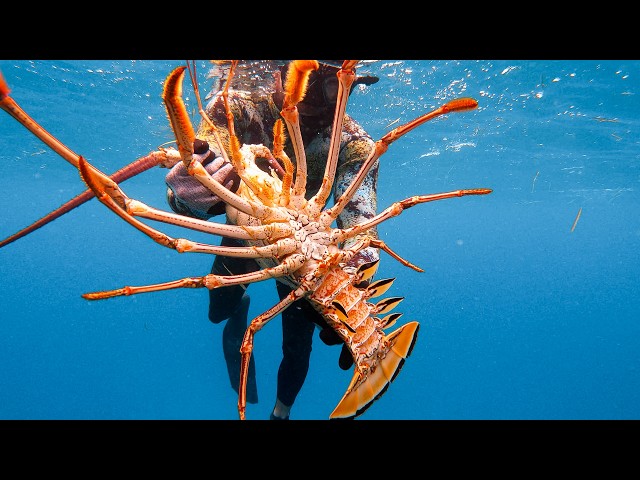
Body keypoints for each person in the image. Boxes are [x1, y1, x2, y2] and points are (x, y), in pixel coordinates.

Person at [165, 60, 380, 420]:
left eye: (329, 87)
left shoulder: (354, 144)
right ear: (281, 73)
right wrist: (189, 195)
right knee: (218, 312)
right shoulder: (237, 108)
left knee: (299, 345)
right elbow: (199, 164)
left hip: (306, 248)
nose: (313, 101)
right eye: (307, 82)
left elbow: (361, 224)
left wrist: (358, 275)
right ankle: (237, 310)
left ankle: (281, 414)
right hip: (245, 229)